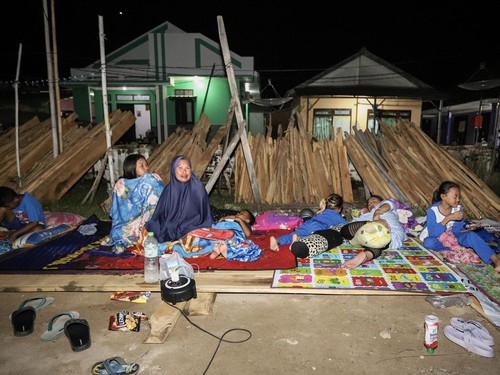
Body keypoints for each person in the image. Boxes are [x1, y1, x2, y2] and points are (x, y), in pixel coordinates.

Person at [419, 181, 500, 272]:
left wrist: (468, 227)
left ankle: (496, 261)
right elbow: (433, 233)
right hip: (437, 237)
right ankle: (450, 251)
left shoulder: (457, 208)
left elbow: (457, 230)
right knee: (428, 242)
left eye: (458, 196)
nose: (458, 200)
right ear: (443, 197)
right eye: (455, 196)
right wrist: (448, 218)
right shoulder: (432, 210)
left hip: (452, 237)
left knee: (471, 236)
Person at [146, 155, 213, 243]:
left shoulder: (198, 187)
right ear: (173, 170)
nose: (184, 172)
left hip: (193, 226)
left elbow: (205, 217)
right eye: (180, 168)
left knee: (196, 236)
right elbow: (160, 214)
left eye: (187, 168)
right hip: (171, 226)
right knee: (152, 229)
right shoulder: (169, 189)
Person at [107, 154, 164, 253]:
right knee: (116, 232)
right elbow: (118, 211)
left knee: (152, 229)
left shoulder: (151, 179)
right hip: (131, 223)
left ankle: (146, 236)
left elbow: (160, 200)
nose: (146, 168)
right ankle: (131, 239)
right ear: (131, 168)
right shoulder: (122, 184)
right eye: (141, 165)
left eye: (146, 165)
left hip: (150, 218)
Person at [161, 209, 262, 262]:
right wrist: (224, 219)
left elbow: (248, 234)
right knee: (198, 237)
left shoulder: (243, 224)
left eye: (243, 213)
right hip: (217, 230)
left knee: (230, 239)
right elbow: (218, 223)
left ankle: (220, 250)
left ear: (247, 220)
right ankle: (214, 252)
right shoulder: (229, 218)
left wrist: (239, 220)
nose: (239, 213)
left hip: (232, 232)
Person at [290, 220, 392, 269]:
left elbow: (387, 204)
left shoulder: (389, 208)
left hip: (380, 238)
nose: (371, 203)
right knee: (301, 249)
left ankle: (363, 256)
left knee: (379, 245)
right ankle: (304, 243)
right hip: (351, 230)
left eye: (374, 201)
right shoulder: (366, 213)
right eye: (369, 202)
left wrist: (380, 214)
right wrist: (373, 220)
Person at [269, 193, 347, 251]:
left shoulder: (321, 212)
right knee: (311, 239)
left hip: (307, 224)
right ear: (339, 208)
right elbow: (347, 226)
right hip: (318, 227)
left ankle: (277, 240)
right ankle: (297, 241)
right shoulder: (337, 217)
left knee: (292, 235)